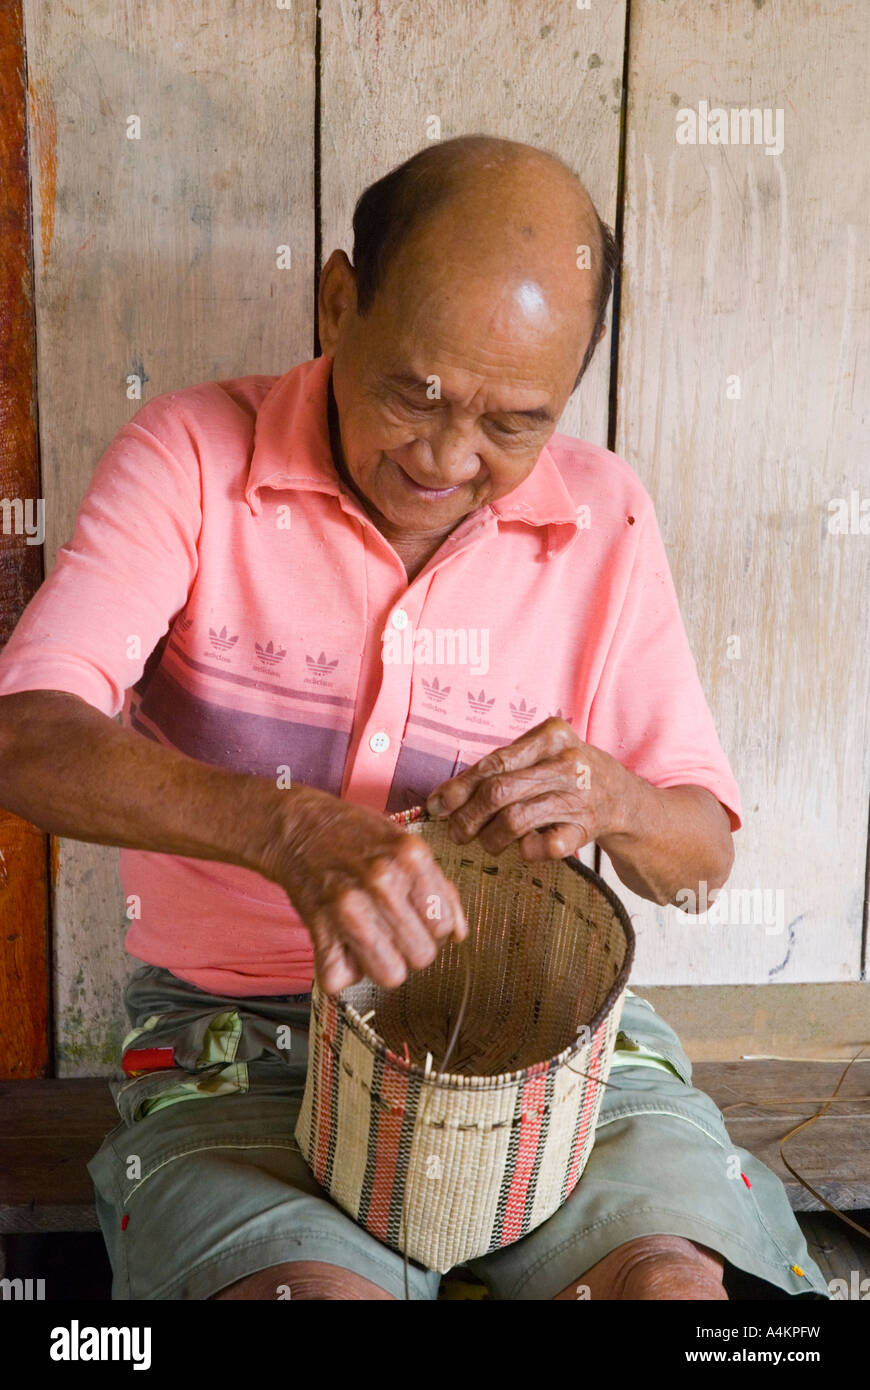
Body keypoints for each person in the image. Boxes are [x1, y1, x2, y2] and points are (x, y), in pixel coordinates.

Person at [0, 134, 828, 1301]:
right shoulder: (189, 457)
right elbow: (26, 733)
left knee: (672, 1293)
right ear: (340, 302)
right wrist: (291, 833)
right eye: (416, 393)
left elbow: (700, 857)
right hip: (243, 1046)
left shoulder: (608, 519)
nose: (447, 456)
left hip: (544, 1039)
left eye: (513, 424)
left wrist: (613, 796)